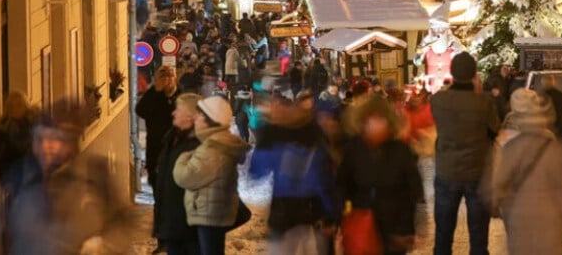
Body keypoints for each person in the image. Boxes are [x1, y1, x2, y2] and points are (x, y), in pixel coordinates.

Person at [3, 99, 130, 254]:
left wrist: (104, 244)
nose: (46, 146)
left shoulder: (96, 174)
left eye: (53, 138)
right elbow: (5, 236)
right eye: (40, 139)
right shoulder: (20, 179)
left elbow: (123, 225)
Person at [492, 88, 562, 255]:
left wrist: (497, 205)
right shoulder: (555, 148)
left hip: (518, 221)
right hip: (550, 223)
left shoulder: (510, 145)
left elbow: (497, 185)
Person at [429, 52, 500, 255]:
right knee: (478, 237)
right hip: (477, 171)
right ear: (474, 74)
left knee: (443, 234)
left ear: (452, 72)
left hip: (447, 170)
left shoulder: (438, 100)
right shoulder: (484, 102)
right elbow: (495, 130)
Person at [250, 98, 340, 255]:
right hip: (307, 212)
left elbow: (257, 172)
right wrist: (330, 215)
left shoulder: (275, 134)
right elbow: (325, 180)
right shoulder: (313, 134)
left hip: (290, 214)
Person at [338, 95, 424, 255]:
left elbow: (414, 191)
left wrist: (408, 231)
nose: (375, 123)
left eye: (380, 118)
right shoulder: (353, 149)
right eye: (370, 118)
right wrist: (338, 219)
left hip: (395, 229)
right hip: (362, 227)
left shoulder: (401, 150)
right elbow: (342, 186)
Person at [173, 96, 251, 255]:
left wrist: (184, 157)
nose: (196, 120)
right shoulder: (219, 143)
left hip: (209, 213)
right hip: (215, 210)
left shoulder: (212, 149)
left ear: (210, 121)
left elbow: (184, 177)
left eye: (200, 116)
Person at [153, 93, 202, 255]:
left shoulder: (198, 146)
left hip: (189, 229)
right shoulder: (172, 139)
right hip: (172, 225)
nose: (173, 113)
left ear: (190, 117)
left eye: (178, 110)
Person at [136, 65, 179, 187]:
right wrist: (157, 92)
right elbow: (140, 110)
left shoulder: (180, 95)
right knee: (156, 181)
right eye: (163, 77)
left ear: (175, 79)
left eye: (170, 76)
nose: (167, 80)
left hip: (174, 145)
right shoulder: (152, 94)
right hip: (155, 145)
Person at [0, 91, 36, 187]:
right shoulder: (4, 129)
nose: (15, 109)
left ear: (25, 107)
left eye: (19, 105)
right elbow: (1, 157)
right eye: (11, 106)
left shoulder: (34, 127)